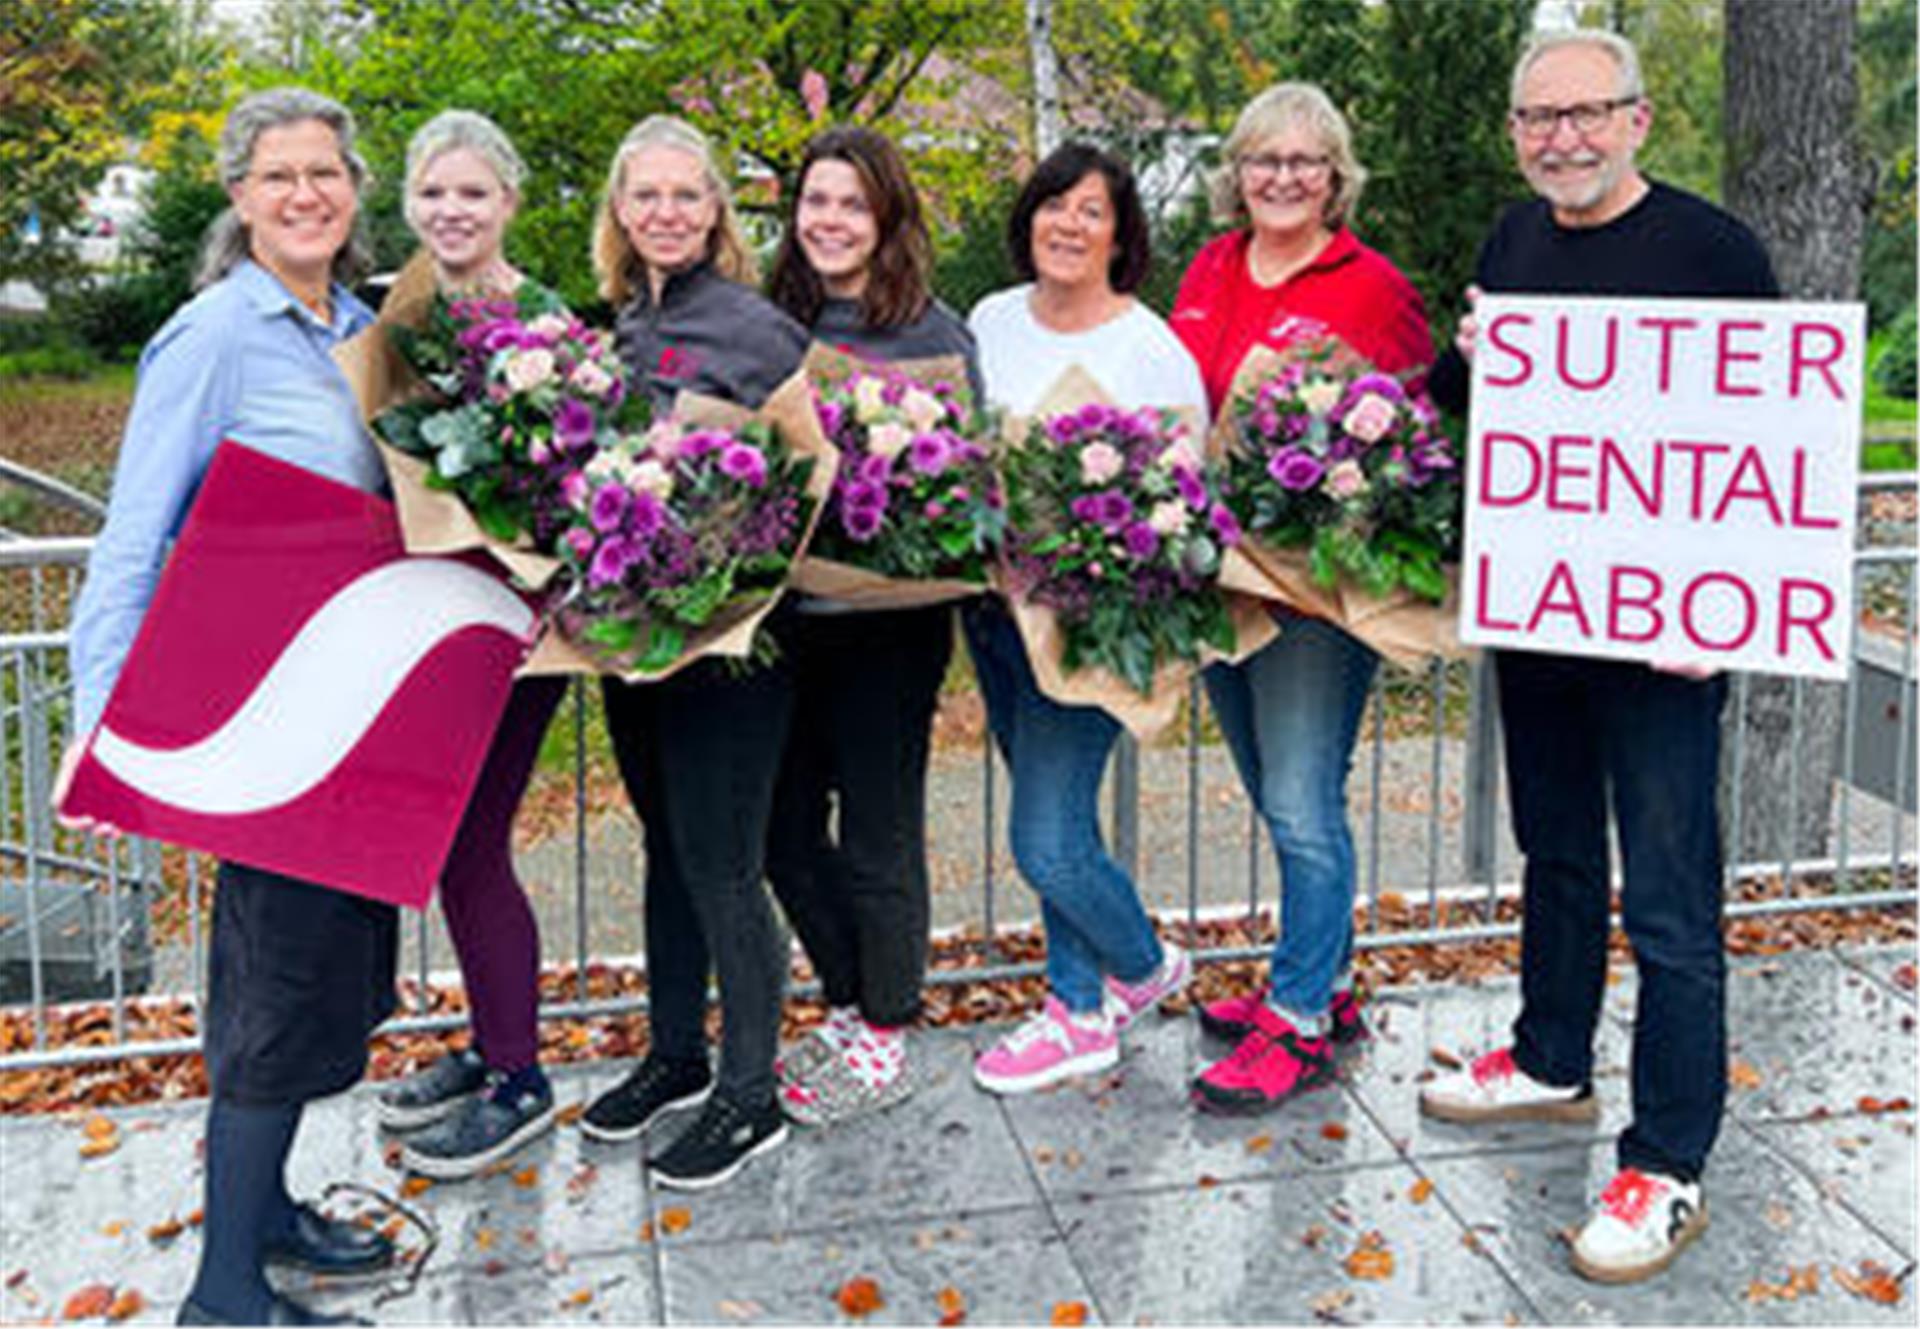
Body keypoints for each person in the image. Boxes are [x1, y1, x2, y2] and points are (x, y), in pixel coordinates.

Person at [1418, 28, 1778, 1284]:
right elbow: (1470, 401)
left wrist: (1731, 610)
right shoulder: (1514, 241)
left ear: (1637, 118)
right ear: (1517, 135)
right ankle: (1551, 1058)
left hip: (1668, 640)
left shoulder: (1714, 252)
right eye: (1538, 118)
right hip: (1545, 614)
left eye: (1586, 113)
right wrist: (1467, 359)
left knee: (1671, 901)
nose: (1561, 137)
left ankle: (1667, 1164)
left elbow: (1775, 435)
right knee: (1557, 851)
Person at [57, 87, 396, 1326]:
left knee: (330, 978)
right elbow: (132, 540)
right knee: (272, 988)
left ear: (353, 190)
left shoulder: (366, 328)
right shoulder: (211, 338)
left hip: (361, 708)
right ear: (240, 197)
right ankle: (224, 1293)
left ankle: (269, 1214)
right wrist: (99, 725)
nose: (306, 193)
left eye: (326, 172)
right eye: (279, 175)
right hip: (267, 717)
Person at [1167, 83, 1432, 1114]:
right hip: (1220, 585)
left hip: (1315, 602)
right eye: (1263, 159)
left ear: (1335, 176)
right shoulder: (1210, 268)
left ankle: (1300, 1018)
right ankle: (1325, 978)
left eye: (1303, 161)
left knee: (1301, 803)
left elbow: (1416, 444)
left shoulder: (1372, 286)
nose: (1282, 177)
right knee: (1276, 792)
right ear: (1237, 173)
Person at [575, 114, 810, 1189]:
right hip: (637, 638)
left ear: (716, 208)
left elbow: (806, 476)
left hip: (733, 647)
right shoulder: (620, 327)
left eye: (686, 193)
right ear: (620, 212)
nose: (665, 212)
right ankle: (676, 1053)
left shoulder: (760, 331)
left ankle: (750, 1094)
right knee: (666, 849)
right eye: (646, 195)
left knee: (722, 861)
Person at [965, 143, 1206, 1095]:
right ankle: (1079, 1007)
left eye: (1091, 210)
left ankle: (1140, 966)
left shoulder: (1151, 348)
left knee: (1048, 839)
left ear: (1120, 234)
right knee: (1054, 817)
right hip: (992, 615)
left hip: (1089, 622)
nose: (1068, 224)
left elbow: (1187, 502)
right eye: (1053, 204)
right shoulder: (989, 320)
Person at [761, 127, 982, 1127]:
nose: (832, 221)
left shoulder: (935, 333)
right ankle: (851, 998)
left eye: (853, 203)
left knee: (879, 828)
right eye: (817, 201)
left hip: (889, 625)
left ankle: (885, 1026)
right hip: (779, 618)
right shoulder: (767, 322)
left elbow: (964, 480)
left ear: (887, 217)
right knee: (782, 827)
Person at [368, 110, 571, 1180]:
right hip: (416, 615)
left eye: (472, 193)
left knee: (473, 841)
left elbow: (572, 483)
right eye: (433, 193)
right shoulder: (392, 317)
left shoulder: (546, 326)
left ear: (509, 203)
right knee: (448, 841)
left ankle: (520, 1077)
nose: (451, 211)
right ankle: (494, 1042)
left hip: (508, 617)